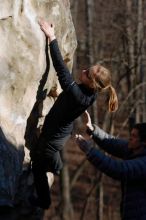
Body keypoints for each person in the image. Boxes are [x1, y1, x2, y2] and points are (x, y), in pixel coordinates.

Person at [30, 19, 118, 210]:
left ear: (92, 84)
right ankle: (58, 167)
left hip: (53, 137)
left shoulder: (77, 95)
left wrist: (52, 38)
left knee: (37, 166)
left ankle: (44, 202)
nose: (84, 70)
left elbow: (61, 68)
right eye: (89, 68)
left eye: (88, 73)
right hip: (62, 132)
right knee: (50, 155)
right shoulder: (92, 93)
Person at [75, 111, 146, 220]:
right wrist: (93, 130)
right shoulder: (135, 149)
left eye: (134, 136)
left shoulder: (143, 162)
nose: (130, 138)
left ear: (143, 143)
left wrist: (90, 151)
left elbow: (119, 169)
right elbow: (113, 143)